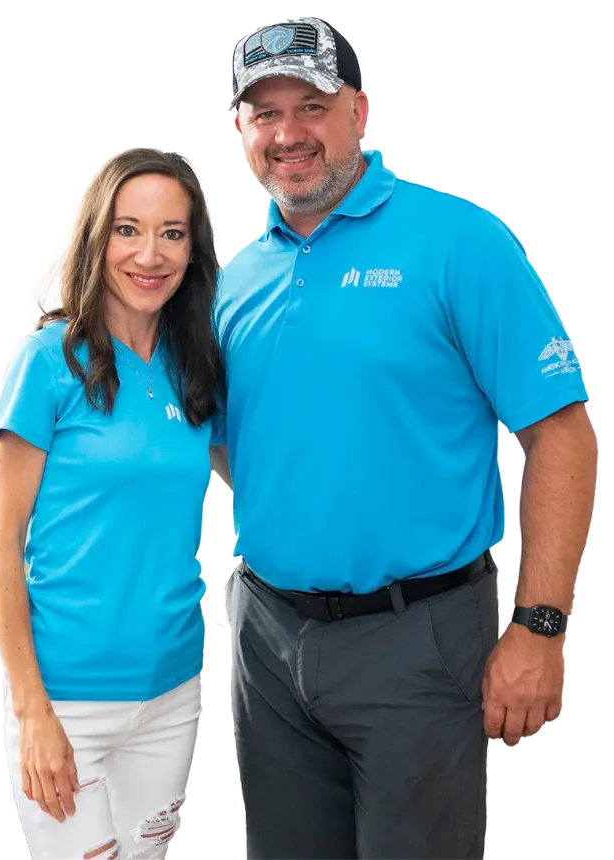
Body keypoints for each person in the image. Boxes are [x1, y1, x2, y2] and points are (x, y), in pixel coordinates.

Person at [209, 15, 599, 860]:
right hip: (266, 641)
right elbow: (231, 445)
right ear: (239, 130)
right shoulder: (231, 280)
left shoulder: (457, 241)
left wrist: (539, 625)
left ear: (358, 110)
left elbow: (559, 431)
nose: (288, 134)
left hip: (415, 638)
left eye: (309, 105)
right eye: (263, 112)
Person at [0, 145, 222, 860]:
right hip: (67, 699)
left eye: (171, 233)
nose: (149, 254)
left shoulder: (196, 368)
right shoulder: (48, 361)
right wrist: (31, 710)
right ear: (96, 238)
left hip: (172, 690)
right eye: (128, 229)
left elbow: (267, 474)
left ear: (191, 249)